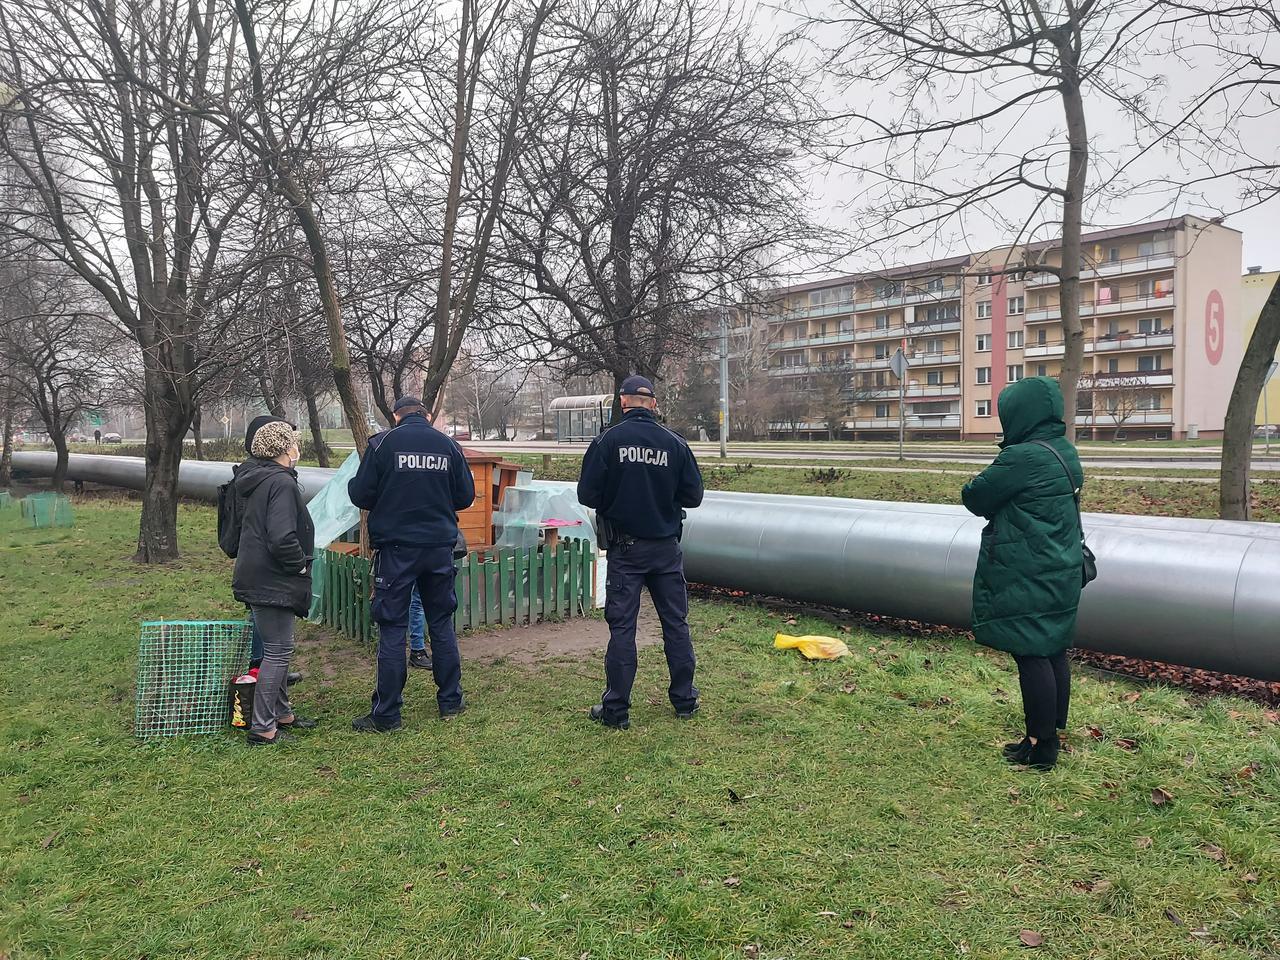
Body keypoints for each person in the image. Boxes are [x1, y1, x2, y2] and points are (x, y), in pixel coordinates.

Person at [962, 376, 1084, 771]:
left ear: (1020, 414)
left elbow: (975, 496)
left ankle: (1041, 745)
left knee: (1031, 652)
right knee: (1052, 648)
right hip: (1061, 565)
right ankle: (1048, 734)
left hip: (1029, 569)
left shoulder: (1023, 457)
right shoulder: (1063, 450)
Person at [576, 375, 705, 730]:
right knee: (676, 625)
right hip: (665, 549)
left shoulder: (607, 441)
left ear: (622, 402)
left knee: (623, 629)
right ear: (653, 403)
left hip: (626, 549)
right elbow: (693, 497)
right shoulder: (674, 444)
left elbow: (586, 495)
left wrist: (616, 499)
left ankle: (616, 710)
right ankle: (685, 701)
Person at [348, 396, 475, 732]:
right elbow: (465, 496)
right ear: (428, 415)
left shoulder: (382, 444)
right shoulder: (448, 445)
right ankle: (451, 700)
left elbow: (361, 495)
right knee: (441, 622)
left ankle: (387, 714)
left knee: (392, 627)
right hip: (438, 548)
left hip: (396, 549)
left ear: (396, 416)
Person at [231, 417, 317, 746]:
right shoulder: (280, 482)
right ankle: (263, 727)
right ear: (284, 447)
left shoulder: (260, 478)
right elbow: (282, 537)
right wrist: (297, 566)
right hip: (272, 578)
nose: (298, 447)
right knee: (278, 652)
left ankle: (282, 713)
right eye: (293, 441)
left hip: (257, 574)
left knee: (276, 649)